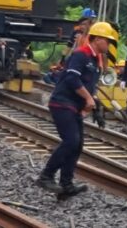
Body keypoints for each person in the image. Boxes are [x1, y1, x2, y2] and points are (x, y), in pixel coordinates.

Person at [36, 21, 117, 197]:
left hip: (74, 106)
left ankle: (66, 185)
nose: (109, 44)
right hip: (62, 103)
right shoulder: (81, 55)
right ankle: (46, 176)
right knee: (71, 141)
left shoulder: (96, 61)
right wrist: (88, 98)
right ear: (97, 39)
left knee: (77, 145)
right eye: (107, 41)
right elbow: (73, 80)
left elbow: (90, 86)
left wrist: (96, 108)